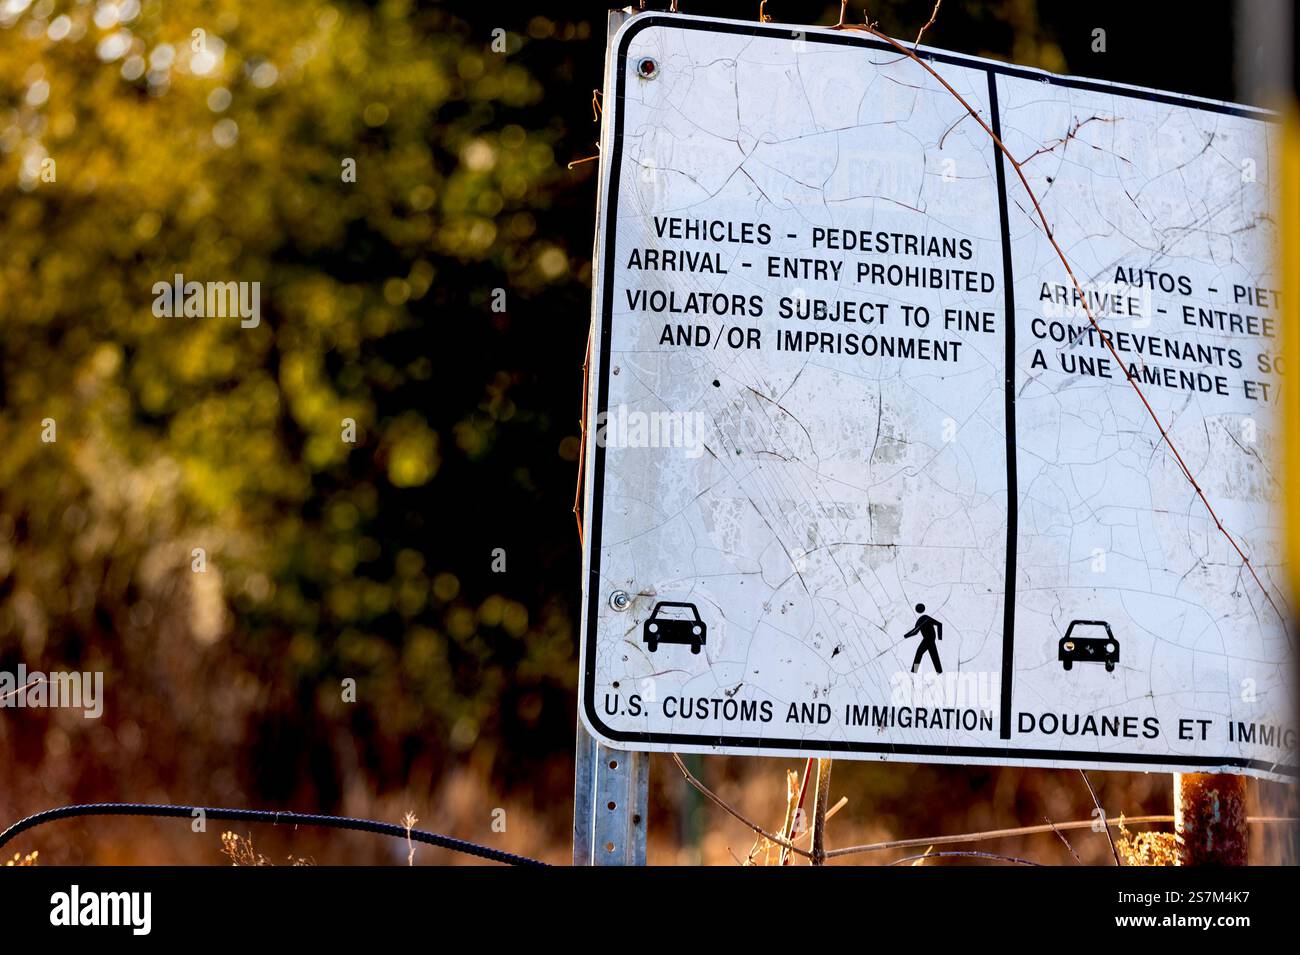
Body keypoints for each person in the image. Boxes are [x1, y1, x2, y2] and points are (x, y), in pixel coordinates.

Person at [903, 603, 943, 673]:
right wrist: (906, 635)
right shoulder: (923, 619)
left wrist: (906, 635)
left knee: (921, 652)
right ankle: (939, 671)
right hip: (929, 639)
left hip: (928, 639)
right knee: (932, 653)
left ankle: (914, 670)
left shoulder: (923, 618)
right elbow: (915, 631)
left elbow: (915, 632)